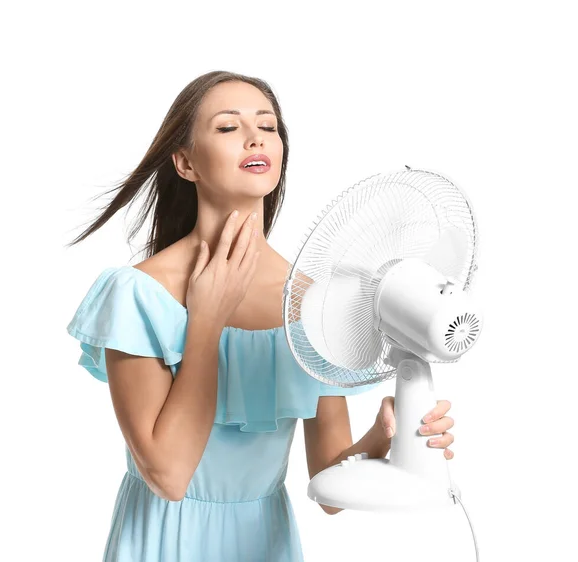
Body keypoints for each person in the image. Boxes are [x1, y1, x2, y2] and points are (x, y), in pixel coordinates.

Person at [65, 70, 456, 562]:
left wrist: (386, 434)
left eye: (267, 126)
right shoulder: (139, 294)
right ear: (186, 163)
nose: (255, 137)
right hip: (163, 542)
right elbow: (167, 474)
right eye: (228, 127)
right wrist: (206, 320)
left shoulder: (316, 308)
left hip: (265, 545)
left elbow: (329, 483)